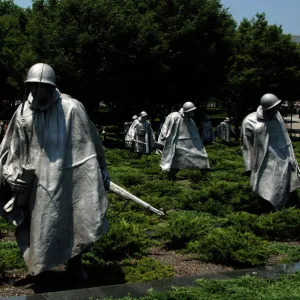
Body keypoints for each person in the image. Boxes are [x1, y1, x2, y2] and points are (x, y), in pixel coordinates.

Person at [0, 63, 110, 280]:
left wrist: (102, 169)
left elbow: (91, 143)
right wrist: (11, 175)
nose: (34, 92)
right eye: (31, 86)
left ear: (50, 87)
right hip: (35, 181)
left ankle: (75, 262)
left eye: (39, 86)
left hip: (68, 176)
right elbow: (10, 148)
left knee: (75, 218)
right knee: (37, 224)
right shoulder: (23, 111)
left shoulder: (72, 108)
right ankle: (38, 266)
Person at [241, 93, 300, 209]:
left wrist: (292, 158)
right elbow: (246, 145)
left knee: (283, 185)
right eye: (272, 108)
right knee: (267, 187)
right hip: (264, 161)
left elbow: (285, 138)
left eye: (276, 107)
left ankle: (285, 205)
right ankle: (267, 206)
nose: (276, 110)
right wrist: (248, 166)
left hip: (283, 159)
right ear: (266, 109)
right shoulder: (250, 121)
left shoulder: (277, 116)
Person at [158, 102, 210, 180]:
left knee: (203, 156)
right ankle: (170, 177)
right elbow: (165, 127)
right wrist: (163, 139)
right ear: (187, 111)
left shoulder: (191, 121)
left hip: (189, 145)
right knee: (176, 161)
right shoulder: (175, 116)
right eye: (192, 111)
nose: (193, 112)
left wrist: (199, 146)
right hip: (177, 144)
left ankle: (205, 176)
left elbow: (195, 135)